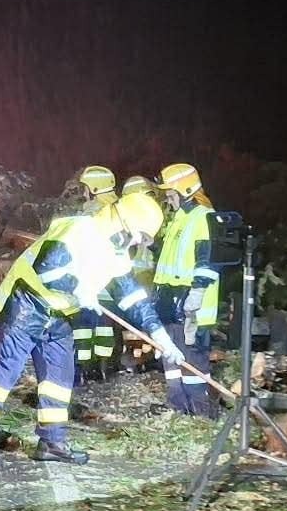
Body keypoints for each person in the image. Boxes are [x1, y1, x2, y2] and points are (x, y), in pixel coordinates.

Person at [0, 193, 185, 467]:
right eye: (137, 236)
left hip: (60, 313)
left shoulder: (117, 254)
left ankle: (52, 442)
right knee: (3, 373)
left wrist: (160, 336)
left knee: (59, 378)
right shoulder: (77, 230)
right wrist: (80, 289)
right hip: (27, 304)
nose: (135, 243)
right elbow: (47, 270)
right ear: (123, 223)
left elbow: (132, 298)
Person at [155, 163, 222, 418]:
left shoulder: (203, 216)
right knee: (171, 359)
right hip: (171, 303)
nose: (167, 196)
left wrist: (197, 293)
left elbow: (208, 260)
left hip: (192, 305)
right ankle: (178, 407)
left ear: (185, 189)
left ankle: (201, 414)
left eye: (170, 191)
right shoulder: (179, 219)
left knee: (193, 362)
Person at [70, 165, 118, 382]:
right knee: (105, 328)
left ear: (93, 188)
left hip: (89, 281)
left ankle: (81, 370)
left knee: (82, 328)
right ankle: (103, 369)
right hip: (112, 284)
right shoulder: (117, 210)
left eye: (85, 187)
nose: (83, 192)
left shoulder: (92, 213)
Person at [117, 175, 161, 373]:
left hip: (140, 275)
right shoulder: (147, 215)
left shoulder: (130, 214)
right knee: (140, 318)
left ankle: (142, 358)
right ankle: (141, 358)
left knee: (139, 319)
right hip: (141, 276)